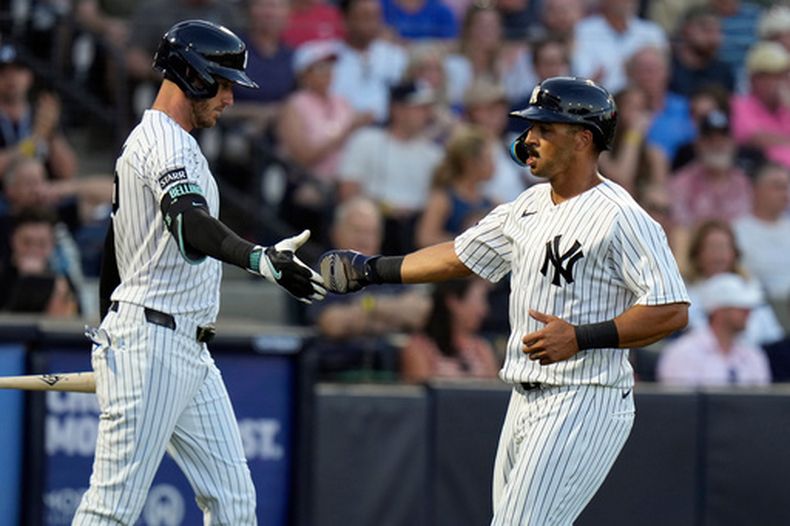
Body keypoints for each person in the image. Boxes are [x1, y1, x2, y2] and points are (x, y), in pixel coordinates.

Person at [319, 76, 689, 524]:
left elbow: (671, 310)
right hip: (523, 396)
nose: (529, 138)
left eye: (545, 129)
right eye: (531, 127)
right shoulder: (529, 203)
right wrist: (370, 269)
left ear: (583, 139)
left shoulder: (623, 217)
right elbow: (461, 255)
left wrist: (582, 337)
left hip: (585, 397)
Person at [72, 20, 326, 525]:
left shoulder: (174, 142)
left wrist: (107, 331)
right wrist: (259, 260)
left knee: (233, 503)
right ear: (190, 75)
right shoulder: (162, 141)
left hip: (181, 344)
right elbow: (190, 225)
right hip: (153, 338)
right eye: (223, 83)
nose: (230, 99)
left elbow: (114, 248)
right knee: (111, 509)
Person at [308, 196, 430, 378]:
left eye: (371, 232)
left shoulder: (387, 268)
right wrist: (392, 315)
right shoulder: (322, 272)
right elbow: (333, 324)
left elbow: (420, 312)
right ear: (336, 233)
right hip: (338, 368)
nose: (364, 239)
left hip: (393, 367)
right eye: (357, 231)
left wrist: (369, 306)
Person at [338, 79, 442, 254]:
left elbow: (438, 200)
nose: (425, 114)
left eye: (427, 108)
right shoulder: (366, 140)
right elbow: (348, 191)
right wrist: (383, 208)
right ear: (397, 110)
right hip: (376, 220)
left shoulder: (434, 154)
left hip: (415, 226)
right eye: (418, 108)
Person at [683, 219, 783, 348]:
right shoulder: (685, 296)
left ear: (735, 253)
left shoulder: (753, 290)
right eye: (712, 247)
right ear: (697, 254)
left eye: (724, 247)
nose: (718, 255)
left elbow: (774, 338)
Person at [657, 272, 771, 386]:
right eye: (740, 307)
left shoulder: (753, 355)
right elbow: (679, 402)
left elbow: (762, 401)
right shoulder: (683, 354)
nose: (748, 313)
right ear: (719, 311)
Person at [0, 44, 77, 182]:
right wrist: (33, 143)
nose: (11, 77)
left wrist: (52, 133)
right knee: (30, 172)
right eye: (3, 72)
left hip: (43, 195)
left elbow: (68, 172)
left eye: (18, 70)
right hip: (4, 197)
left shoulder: (40, 112)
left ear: (29, 76)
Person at [402, 278, 499, 382]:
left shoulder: (482, 350)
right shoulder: (419, 348)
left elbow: (495, 393)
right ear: (454, 301)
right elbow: (424, 393)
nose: (484, 310)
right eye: (480, 300)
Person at [669, 110, 753, 229]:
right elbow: (680, 225)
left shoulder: (743, 182)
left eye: (723, 139)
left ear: (733, 143)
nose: (717, 144)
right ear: (698, 144)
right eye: (710, 139)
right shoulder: (682, 182)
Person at [415, 125, 495, 247]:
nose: (493, 165)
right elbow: (425, 238)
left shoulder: (492, 202)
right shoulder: (442, 199)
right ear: (470, 163)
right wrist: (468, 243)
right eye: (488, 158)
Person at [733, 162, 790, 331]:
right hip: (763, 307)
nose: (785, 194)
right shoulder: (738, 231)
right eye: (777, 187)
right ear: (756, 190)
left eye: (787, 187)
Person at [331, 0, 408, 123]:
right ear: (346, 20)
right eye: (365, 17)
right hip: (341, 130)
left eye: (376, 16)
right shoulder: (330, 57)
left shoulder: (395, 56)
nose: (373, 23)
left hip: (388, 130)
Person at [573, 0, 668, 93]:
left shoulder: (652, 32)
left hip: (644, 102)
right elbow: (582, 77)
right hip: (598, 101)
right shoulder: (582, 30)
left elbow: (662, 78)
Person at [0, 207, 78, 317]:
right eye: (27, 242)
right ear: (13, 240)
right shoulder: (3, 274)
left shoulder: (62, 281)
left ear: (52, 245)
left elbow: (71, 317)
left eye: (42, 244)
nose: (34, 250)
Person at [731, 42, 790, 169]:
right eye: (773, 76)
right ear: (754, 79)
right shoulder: (739, 105)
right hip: (763, 175)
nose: (781, 81)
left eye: (783, 75)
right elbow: (754, 139)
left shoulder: (786, 106)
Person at [668, 6, 735, 97]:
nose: (714, 39)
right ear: (686, 30)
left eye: (719, 32)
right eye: (707, 31)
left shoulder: (724, 72)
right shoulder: (668, 68)